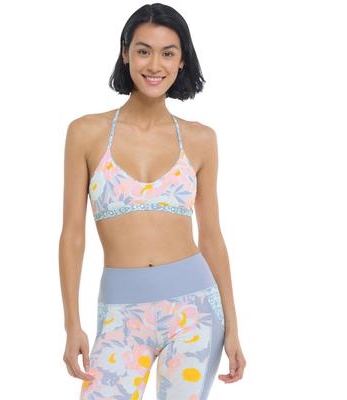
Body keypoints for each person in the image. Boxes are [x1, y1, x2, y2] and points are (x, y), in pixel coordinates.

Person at [59, 3, 246, 399]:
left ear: (182, 61)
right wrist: (72, 323)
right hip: (120, 314)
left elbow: (212, 237)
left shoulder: (200, 139)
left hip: (195, 311)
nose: (155, 65)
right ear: (125, 53)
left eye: (168, 53)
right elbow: (73, 236)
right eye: (144, 51)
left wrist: (233, 326)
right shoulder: (86, 133)